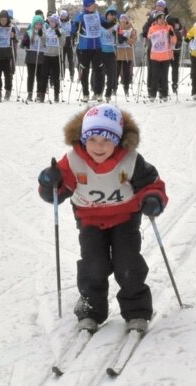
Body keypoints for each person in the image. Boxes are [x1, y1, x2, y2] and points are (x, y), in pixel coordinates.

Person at [36, 104, 168, 332]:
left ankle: (136, 309)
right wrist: (50, 183)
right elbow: (57, 191)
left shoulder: (130, 160)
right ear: (83, 138)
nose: (99, 146)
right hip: (89, 220)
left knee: (127, 264)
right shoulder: (73, 160)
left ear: (117, 141)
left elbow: (151, 184)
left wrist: (153, 199)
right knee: (93, 265)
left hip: (125, 217)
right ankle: (90, 309)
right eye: (93, 139)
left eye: (107, 140)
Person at [72, 0, 114, 102]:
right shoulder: (81, 16)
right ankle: (85, 94)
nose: (94, 5)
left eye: (94, 4)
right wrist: (74, 27)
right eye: (92, 4)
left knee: (98, 70)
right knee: (85, 71)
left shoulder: (97, 15)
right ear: (87, 6)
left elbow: (106, 25)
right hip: (85, 48)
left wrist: (114, 21)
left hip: (97, 47)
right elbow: (73, 29)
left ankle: (98, 93)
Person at [145, 12, 176, 102]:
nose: (162, 20)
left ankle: (164, 93)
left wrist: (172, 34)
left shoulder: (169, 27)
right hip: (155, 55)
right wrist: (152, 35)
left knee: (164, 76)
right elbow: (149, 36)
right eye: (160, 19)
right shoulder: (152, 27)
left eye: (163, 19)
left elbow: (174, 41)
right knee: (154, 75)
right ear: (157, 20)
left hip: (166, 55)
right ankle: (153, 94)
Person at [35, 15, 63, 103]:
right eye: (50, 21)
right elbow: (43, 42)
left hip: (56, 55)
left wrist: (59, 36)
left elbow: (62, 43)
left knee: (56, 77)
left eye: (53, 22)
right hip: (47, 55)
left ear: (57, 23)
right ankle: (42, 94)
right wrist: (41, 35)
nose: (51, 23)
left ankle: (56, 95)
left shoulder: (60, 31)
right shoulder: (47, 31)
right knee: (44, 76)